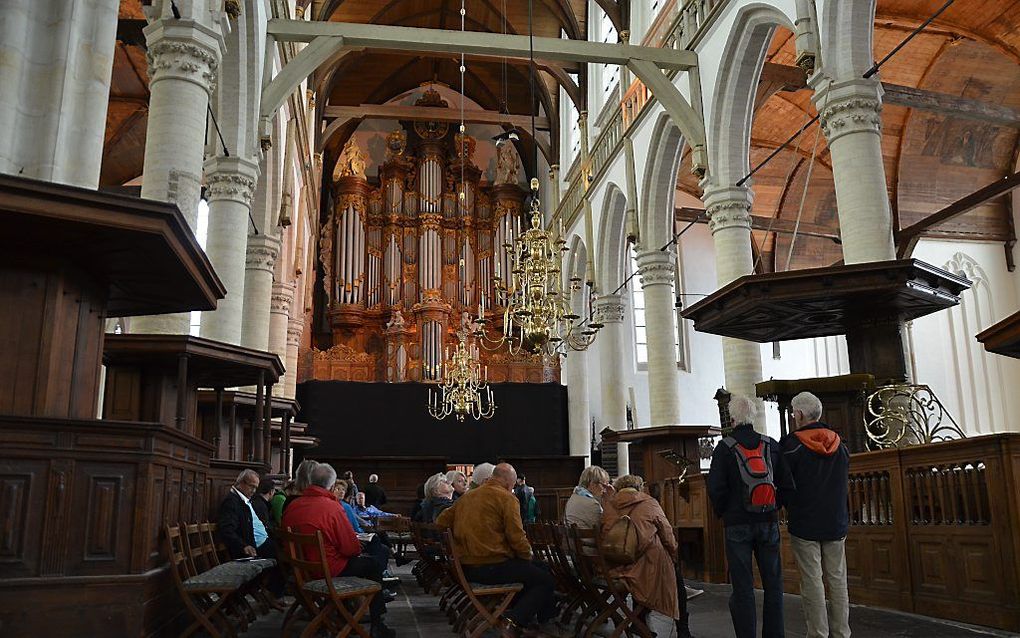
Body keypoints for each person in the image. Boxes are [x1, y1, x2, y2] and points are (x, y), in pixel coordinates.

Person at [437, 463, 561, 637]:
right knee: (545, 580)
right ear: (509, 484)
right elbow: (516, 537)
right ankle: (514, 621)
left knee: (540, 569)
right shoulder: (506, 498)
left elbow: (441, 522)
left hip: (466, 568)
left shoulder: (467, 497)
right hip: (491, 566)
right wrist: (527, 555)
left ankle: (537, 620)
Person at [708, 395, 795, 638]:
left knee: (743, 587)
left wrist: (726, 512)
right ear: (753, 416)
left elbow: (715, 488)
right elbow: (787, 484)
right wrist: (774, 506)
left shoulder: (725, 448)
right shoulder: (771, 444)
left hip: (737, 524)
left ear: (732, 418)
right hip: (767, 522)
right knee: (773, 584)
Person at [282, 463, 396, 638]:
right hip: (328, 571)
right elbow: (350, 548)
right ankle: (377, 624)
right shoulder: (332, 507)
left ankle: (341, 614)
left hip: (301, 572)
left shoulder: (293, 505)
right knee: (373, 563)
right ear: (332, 485)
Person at [782, 392, 851, 638]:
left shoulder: (792, 446)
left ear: (799, 415)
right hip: (835, 522)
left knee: (813, 582)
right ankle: (842, 633)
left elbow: (784, 485)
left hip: (805, 524)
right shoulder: (839, 445)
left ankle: (818, 634)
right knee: (837, 580)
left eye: (793, 413)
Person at [602, 474, 692, 638]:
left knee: (646, 563)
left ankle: (640, 621)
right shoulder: (649, 503)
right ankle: (683, 630)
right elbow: (667, 534)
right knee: (675, 578)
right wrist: (673, 555)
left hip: (617, 565)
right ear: (639, 488)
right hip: (646, 568)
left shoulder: (608, 506)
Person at [216, 469, 286, 608]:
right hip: (251, 549)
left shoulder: (244, 500)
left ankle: (269, 593)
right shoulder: (232, 501)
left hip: (261, 544)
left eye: (256, 487)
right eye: (251, 486)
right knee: (284, 560)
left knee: (285, 556)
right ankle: (270, 594)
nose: (254, 490)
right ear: (241, 483)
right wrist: (243, 546)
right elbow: (227, 530)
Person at [564, 465, 612, 530]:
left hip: (573, 539)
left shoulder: (573, 497)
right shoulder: (592, 504)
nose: (605, 490)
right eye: (604, 485)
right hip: (586, 539)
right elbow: (607, 527)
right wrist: (609, 500)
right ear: (592, 484)